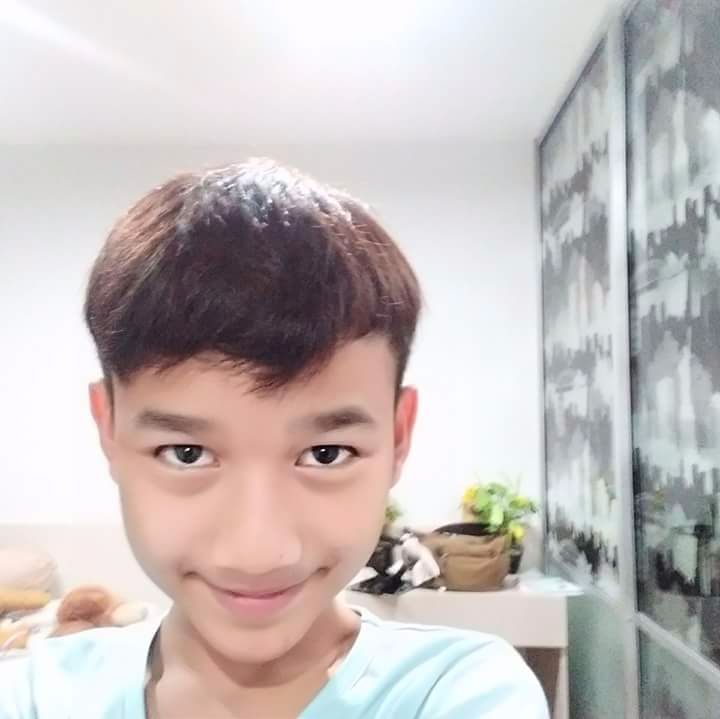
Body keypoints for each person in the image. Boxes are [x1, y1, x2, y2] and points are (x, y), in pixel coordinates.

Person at [0, 159, 549, 718]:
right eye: (187, 454)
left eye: (326, 454)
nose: (257, 552)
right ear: (109, 430)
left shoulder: (459, 693)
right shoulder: (37, 697)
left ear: (398, 436)